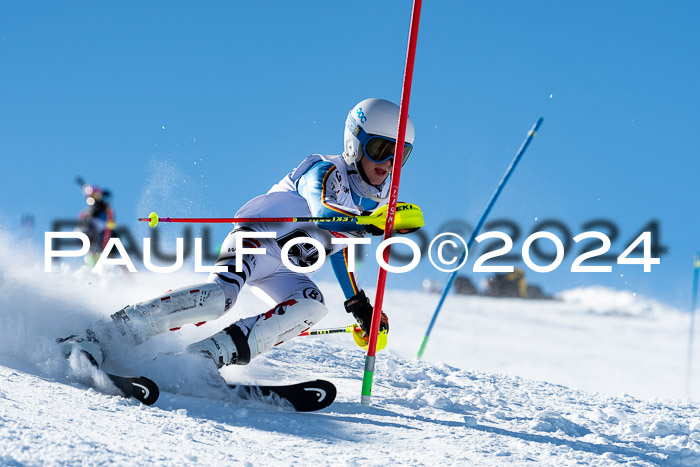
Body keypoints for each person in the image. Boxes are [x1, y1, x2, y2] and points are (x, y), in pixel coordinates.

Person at [59, 98, 421, 372]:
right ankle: (102, 335)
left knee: (312, 304)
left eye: (398, 155)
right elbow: (324, 213)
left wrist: (358, 304)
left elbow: (338, 245)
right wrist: (372, 223)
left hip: (288, 270)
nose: (387, 163)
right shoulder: (325, 171)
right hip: (255, 239)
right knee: (220, 298)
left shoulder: (363, 202)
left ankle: (203, 359)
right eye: (380, 150)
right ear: (355, 143)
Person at [75, 180, 115, 267]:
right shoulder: (87, 212)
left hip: (103, 234)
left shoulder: (103, 207)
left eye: (96, 196)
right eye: (91, 197)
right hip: (91, 234)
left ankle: (104, 259)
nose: (93, 199)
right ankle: (94, 260)